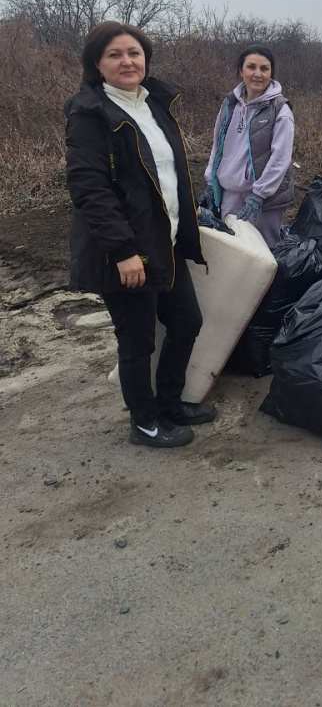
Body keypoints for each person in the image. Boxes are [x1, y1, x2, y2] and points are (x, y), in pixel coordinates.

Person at [65, 22, 215, 449]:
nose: (127, 61)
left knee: (187, 321)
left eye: (134, 52)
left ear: (146, 59)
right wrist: (123, 250)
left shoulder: (154, 104)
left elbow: (165, 171)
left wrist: (188, 210)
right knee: (136, 340)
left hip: (162, 242)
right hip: (126, 250)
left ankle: (168, 403)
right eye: (115, 54)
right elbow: (89, 190)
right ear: (97, 64)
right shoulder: (89, 114)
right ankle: (144, 422)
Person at [200, 45, 294, 249]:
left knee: (263, 254)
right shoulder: (229, 104)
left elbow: (281, 158)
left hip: (262, 199)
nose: (257, 74)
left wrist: (259, 194)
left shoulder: (280, 110)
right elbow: (218, 147)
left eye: (264, 68)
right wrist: (211, 182)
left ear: (271, 73)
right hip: (229, 194)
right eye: (251, 67)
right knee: (231, 251)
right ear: (241, 70)